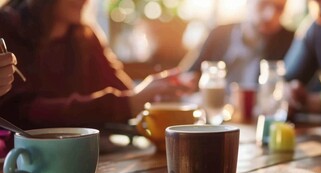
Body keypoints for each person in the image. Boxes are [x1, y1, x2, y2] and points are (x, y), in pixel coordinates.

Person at [0, 0, 191, 129]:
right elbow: (21, 112)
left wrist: (151, 92)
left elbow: (122, 91)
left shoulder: (85, 35)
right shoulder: (7, 29)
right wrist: (129, 102)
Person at [182, 0, 294, 90]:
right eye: (263, 4)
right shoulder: (219, 34)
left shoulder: (290, 41)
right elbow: (191, 75)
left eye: (279, 9)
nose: (270, 15)